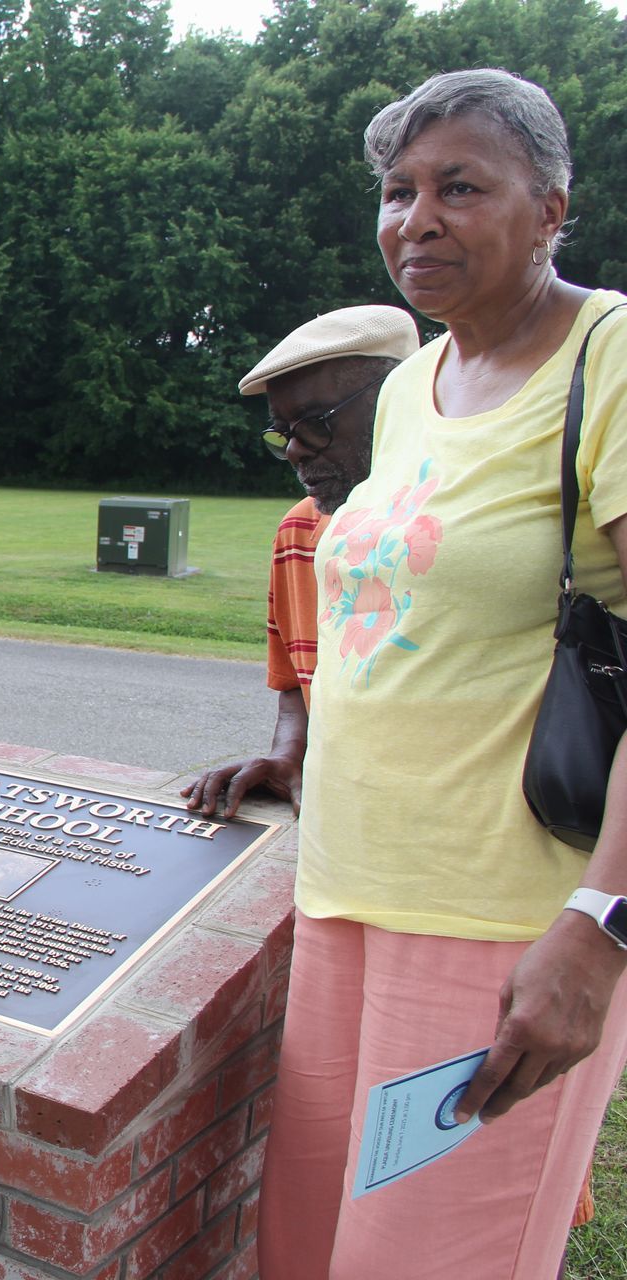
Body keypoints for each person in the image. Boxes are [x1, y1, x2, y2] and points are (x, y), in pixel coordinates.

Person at [258, 69, 627, 1277]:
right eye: (398, 190)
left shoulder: (609, 356)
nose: (417, 218)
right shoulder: (414, 384)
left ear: (553, 205)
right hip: (347, 895)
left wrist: (602, 926)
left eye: (460, 187)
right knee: (307, 1248)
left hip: (499, 922)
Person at [181, 306, 419, 819]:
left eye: (313, 424)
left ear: (398, 401)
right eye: (283, 431)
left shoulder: (468, 532)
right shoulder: (300, 531)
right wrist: (289, 753)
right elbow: (296, 678)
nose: (293, 451)